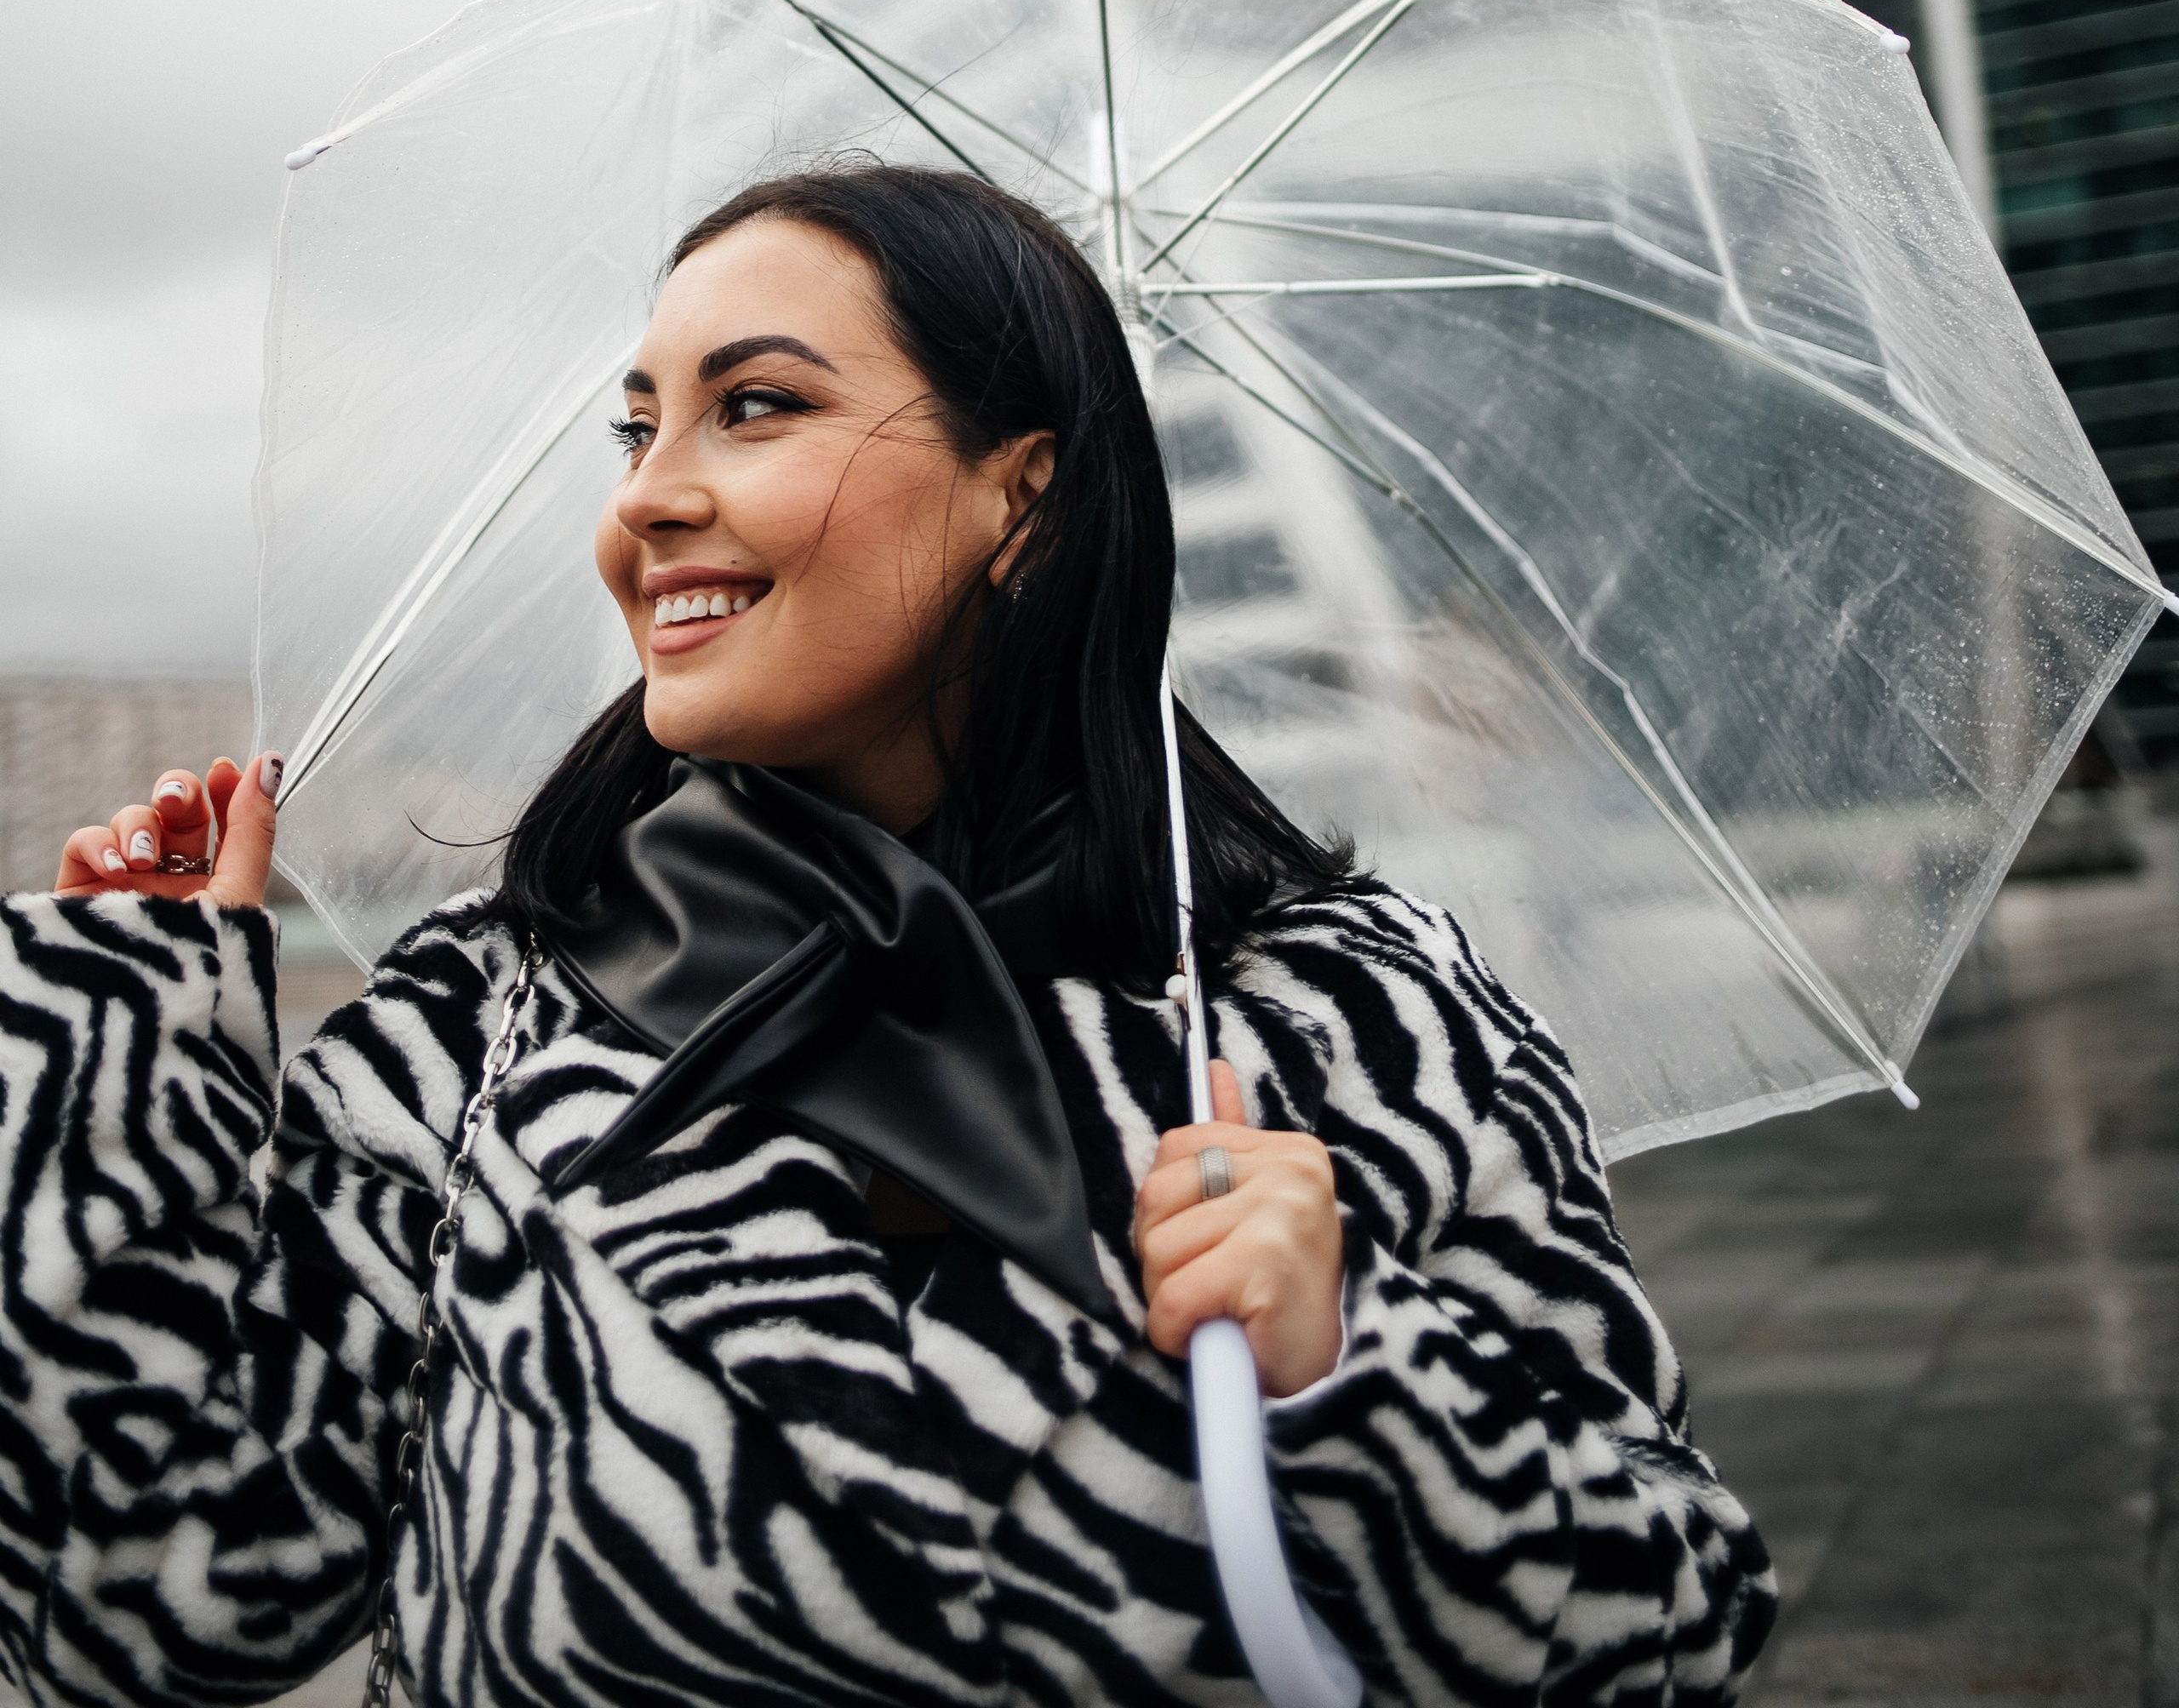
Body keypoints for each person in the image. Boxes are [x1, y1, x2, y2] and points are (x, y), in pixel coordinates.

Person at [3, 166, 1773, 1706]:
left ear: (1024, 497)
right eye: (638, 428)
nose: (647, 497)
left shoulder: (1355, 1016)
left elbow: (1664, 1639)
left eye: (755, 407)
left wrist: (1348, 1368)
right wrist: (119, 1054)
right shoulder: (485, 1023)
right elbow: (137, 1620)